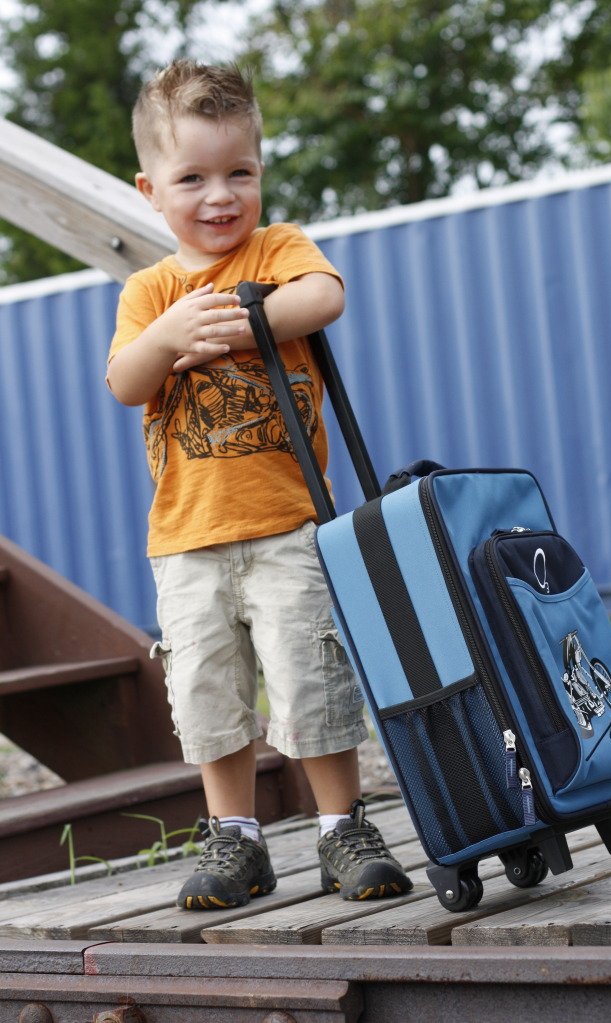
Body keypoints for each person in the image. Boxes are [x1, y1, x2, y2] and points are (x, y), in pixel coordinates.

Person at [107, 59, 412, 911]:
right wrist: (170, 335)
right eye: (192, 178)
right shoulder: (151, 292)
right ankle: (235, 836)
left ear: (261, 171)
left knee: (311, 676)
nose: (220, 195)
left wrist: (239, 321)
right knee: (209, 691)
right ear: (150, 190)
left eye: (239, 172)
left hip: (288, 525)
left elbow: (322, 299)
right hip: (187, 541)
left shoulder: (275, 251)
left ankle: (341, 826)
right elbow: (127, 380)